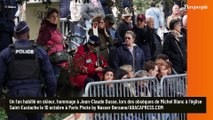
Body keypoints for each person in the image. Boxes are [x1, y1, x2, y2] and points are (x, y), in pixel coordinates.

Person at [0, 21, 56, 120]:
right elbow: (50, 79)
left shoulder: (6, 53)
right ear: (29, 34)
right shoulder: (39, 52)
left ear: (14, 35)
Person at [36, 8, 67, 79]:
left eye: (56, 16)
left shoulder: (54, 28)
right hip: (52, 61)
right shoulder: (46, 28)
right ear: (48, 18)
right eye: (53, 16)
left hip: (58, 61)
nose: (55, 18)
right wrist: (49, 48)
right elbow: (40, 44)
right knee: (52, 83)